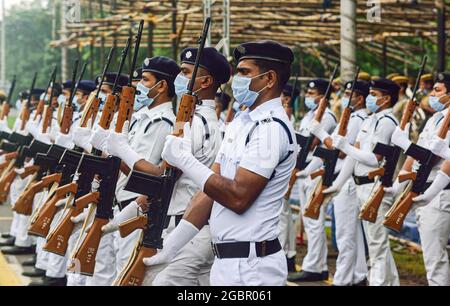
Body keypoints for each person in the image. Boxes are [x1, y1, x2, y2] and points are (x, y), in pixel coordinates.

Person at [142, 40, 297, 286]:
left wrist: (184, 159)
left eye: (245, 72)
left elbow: (238, 197)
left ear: (269, 79)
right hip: (225, 262)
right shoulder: (241, 123)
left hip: (252, 268)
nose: (238, 79)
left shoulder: (270, 129)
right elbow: (209, 192)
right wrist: (171, 248)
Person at [325, 78, 401, 286]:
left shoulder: (387, 122)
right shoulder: (370, 120)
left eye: (374, 95)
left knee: (377, 244)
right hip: (360, 185)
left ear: (386, 99)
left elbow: (373, 159)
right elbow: (355, 155)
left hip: (374, 185)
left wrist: (346, 147)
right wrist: (338, 184)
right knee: (374, 242)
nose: (369, 98)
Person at [305, 80, 370, 286]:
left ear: (360, 99)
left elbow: (340, 149)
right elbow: (333, 145)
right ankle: (358, 275)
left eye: (350, 95)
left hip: (346, 179)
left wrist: (321, 133)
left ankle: (343, 280)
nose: (345, 98)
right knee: (352, 233)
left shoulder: (358, 119)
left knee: (345, 234)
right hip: (340, 176)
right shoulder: (349, 117)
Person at [390, 72, 450, 286]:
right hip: (426, 191)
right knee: (432, 256)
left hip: (440, 193)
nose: (431, 94)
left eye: (438, 90)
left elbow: (433, 158)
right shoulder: (435, 118)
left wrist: (405, 144)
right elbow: (417, 156)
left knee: (436, 259)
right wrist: (398, 185)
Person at [289, 79, 337, 282]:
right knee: (308, 220)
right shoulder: (310, 115)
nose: (309, 97)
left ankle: (315, 267)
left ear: (323, 97)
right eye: (308, 93)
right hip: (304, 169)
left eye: (314, 93)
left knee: (314, 219)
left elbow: (312, 143)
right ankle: (316, 264)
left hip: (316, 169)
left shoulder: (327, 117)